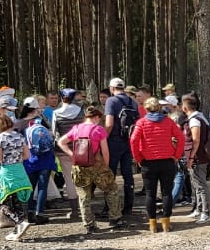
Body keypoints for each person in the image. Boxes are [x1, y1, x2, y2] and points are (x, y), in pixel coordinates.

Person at [56, 105, 125, 233]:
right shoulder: (98, 130)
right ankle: (115, 218)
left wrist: (72, 155)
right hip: (97, 165)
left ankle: (89, 224)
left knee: (83, 195)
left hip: (80, 166)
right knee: (111, 189)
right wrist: (107, 165)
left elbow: (61, 142)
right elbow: (105, 150)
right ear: (96, 117)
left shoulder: (76, 129)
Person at [130, 97, 184, 232]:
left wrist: (138, 158)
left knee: (150, 194)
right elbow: (181, 138)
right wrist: (176, 155)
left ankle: (152, 224)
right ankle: (166, 222)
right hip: (167, 161)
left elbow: (133, 140)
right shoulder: (168, 121)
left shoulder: (141, 123)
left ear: (146, 109)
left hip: (148, 162)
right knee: (166, 193)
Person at [0, 114, 33, 241]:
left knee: (0, 203)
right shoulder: (19, 136)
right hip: (20, 171)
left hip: (7, 173)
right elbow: (27, 156)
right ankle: (17, 231)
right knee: (18, 202)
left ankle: (20, 222)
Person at [104, 77, 139, 219]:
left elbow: (109, 123)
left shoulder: (111, 101)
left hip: (114, 141)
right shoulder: (133, 102)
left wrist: (103, 139)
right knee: (128, 175)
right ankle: (129, 206)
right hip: (128, 140)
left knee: (110, 174)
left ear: (112, 88)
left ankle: (110, 207)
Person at [19, 97, 55, 223]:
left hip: (29, 158)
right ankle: (40, 213)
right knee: (42, 187)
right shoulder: (41, 121)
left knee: (30, 186)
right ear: (35, 108)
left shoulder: (19, 123)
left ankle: (29, 213)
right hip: (45, 157)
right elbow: (52, 134)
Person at [179, 92, 210, 223]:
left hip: (199, 158)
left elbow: (196, 140)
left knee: (201, 185)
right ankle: (199, 209)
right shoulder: (196, 118)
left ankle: (206, 212)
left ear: (185, 108)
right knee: (196, 184)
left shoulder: (194, 120)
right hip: (196, 157)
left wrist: (191, 157)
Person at [51, 88, 84, 220]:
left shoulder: (56, 113)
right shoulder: (80, 110)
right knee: (82, 177)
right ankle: (85, 207)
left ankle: (74, 210)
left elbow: (54, 132)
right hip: (80, 148)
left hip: (63, 150)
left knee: (69, 179)